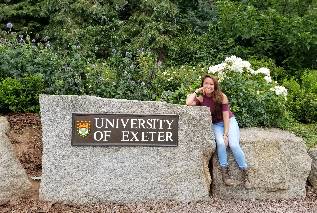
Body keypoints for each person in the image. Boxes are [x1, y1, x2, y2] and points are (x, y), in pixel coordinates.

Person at [186, 74, 251, 189]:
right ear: (202, 85)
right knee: (220, 144)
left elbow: (226, 116)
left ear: (215, 86)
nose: (209, 86)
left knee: (234, 145)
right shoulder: (201, 98)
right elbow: (188, 103)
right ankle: (225, 175)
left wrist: (226, 134)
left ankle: (245, 173)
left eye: (211, 84)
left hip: (229, 122)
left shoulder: (221, 96)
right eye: (206, 83)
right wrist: (197, 91)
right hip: (215, 125)